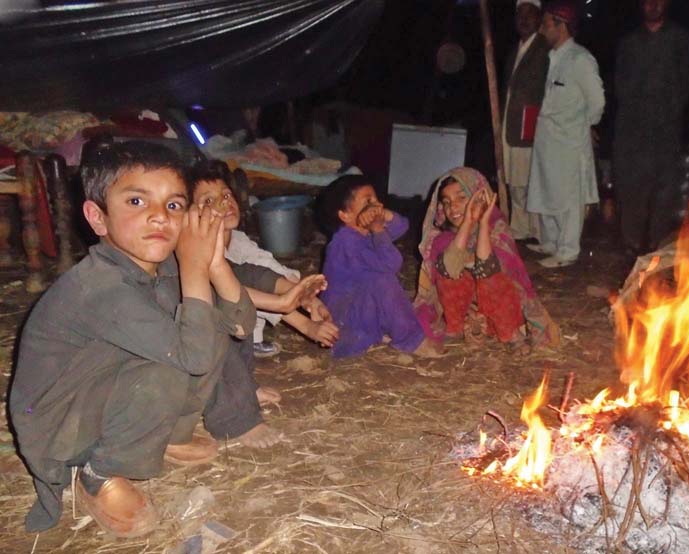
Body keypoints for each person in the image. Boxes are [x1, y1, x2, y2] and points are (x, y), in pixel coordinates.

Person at [9, 142, 258, 537]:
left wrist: (212, 263)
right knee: (169, 365)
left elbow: (240, 326)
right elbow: (192, 357)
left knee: (203, 327)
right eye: (137, 201)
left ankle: (169, 435)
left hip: (102, 390)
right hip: (59, 426)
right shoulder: (99, 286)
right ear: (98, 217)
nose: (159, 215)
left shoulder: (157, 267)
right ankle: (99, 471)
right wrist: (194, 267)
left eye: (174, 205)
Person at [189, 160, 339, 357]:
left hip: (239, 316)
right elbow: (238, 290)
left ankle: (252, 340)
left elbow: (267, 267)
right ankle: (242, 346)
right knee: (242, 287)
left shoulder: (239, 240)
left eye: (226, 194)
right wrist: (307, 326)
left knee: (259, 275)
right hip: (204, 333)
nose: (224, 202)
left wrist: (308, 299)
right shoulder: (197, 250)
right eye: (208, 201)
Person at [415, 167, 560, 350]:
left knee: (492, 275)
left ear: (479, 198)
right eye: (447, 202)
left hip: (499, 315)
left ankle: (510, 336)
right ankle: (456, 329)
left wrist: (483, 221)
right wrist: (467, 222)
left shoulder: (497, 231)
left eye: (461, 198)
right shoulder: (441, 238)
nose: (453, 207)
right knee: (449, 271)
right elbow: (450, 268)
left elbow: (487, 267)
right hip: (465, 316)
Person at [317, 174, 441, 358]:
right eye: (368, 201)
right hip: (341, 326)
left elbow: (401, 226)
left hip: (358, 312)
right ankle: (411, 340)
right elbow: (391, 263)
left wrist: (384, 215)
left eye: (376, 199)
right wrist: (378, 229)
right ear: (345, 215)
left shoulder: (361, 232)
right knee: (382, 280)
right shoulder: (345, 243)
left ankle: (382, 330)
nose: (376, 205)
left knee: (379, 281)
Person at [526, 0, 605, 268]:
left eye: (546, 23)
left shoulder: (580, 59)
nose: (542, 29)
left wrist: (584, 125)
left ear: (561, 26)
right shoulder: (552, 57)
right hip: (547, 137)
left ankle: (568, 250)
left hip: (569, 141)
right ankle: (551, 241)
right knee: (546, 188)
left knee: (568, 196)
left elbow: (597, 102)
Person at [613, 0, 689, 255]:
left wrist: (669, 110)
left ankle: (658, 248)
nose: (653, 5)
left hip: (666, 129)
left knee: (665, 190)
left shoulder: (680, 39)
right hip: (632, 130)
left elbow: (686, 82)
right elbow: (620, 84)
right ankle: (632, 245)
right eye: (648, 1)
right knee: (632, 187)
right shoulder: (629, 43)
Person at [502, 0, 549, 241]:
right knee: (514, 180)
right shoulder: (515, 50)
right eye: (519, 14)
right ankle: (519, 227)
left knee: (528, 179)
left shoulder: (544, 49)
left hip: (529, 123)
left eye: (529, 14)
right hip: (510, 121)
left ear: (539, 18)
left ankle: (538, 231)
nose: (523, 19)